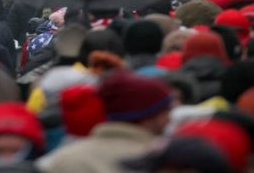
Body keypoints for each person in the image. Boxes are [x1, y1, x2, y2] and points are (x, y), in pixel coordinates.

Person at [40, 70, 174, 172]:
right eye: (165, 111)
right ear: (148, 115)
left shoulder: (62, 160)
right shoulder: (168, 161)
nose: (169, 119)